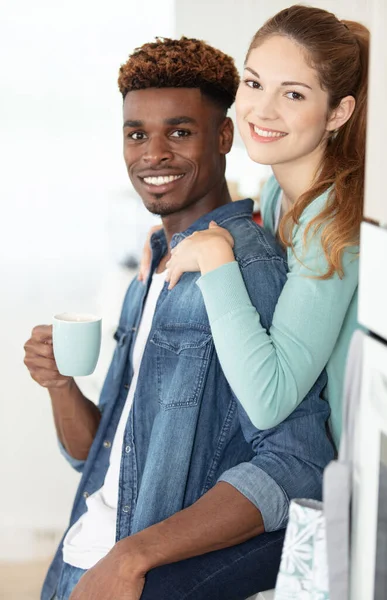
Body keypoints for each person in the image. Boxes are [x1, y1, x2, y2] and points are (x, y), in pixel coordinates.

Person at [23, 37, 334, 600]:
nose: (153, 153)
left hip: (136, 573)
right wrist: (60, 384)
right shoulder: (152, 268)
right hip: (80, 560)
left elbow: (296, 461)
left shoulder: (243, 265)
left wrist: (134, 556)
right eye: (137, 134)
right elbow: (96, 454)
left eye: (180, 132)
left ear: (223, 137)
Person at [140, 5, 369, 449]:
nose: (262, 111)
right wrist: (169, 236)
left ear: (338, 113)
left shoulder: (331, 221)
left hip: (361, 482)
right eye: (254, 83)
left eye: (294, 95)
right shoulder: (279, 194)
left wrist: (212, 256)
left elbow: (269, 399)